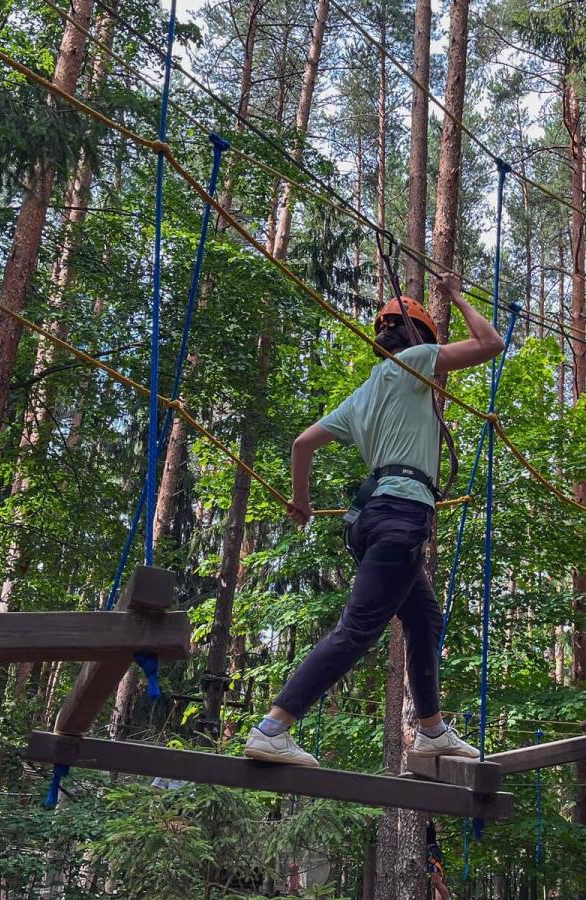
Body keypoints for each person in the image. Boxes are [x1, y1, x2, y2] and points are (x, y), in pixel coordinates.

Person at [245, 273, 504, 766]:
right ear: (422, 339)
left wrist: (301, 502)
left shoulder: (362, 395)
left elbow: (302, 444)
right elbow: (490, 344)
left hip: (374, 517)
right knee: (358, 628)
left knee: (423, 616)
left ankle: (430, 731)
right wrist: (454, 295)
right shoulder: (416, 362)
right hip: (402, 515)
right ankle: (273, 726)